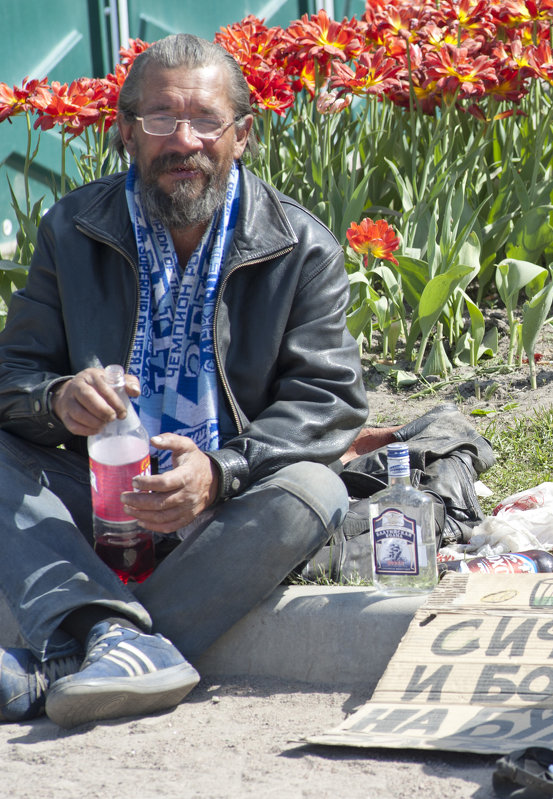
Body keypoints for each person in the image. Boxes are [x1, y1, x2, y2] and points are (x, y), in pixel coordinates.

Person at [0, 33, 368, 729]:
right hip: (104, 501)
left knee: (316, 489)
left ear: (244, 135)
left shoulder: (300, 245)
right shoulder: (72, 229)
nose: (184, 141)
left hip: (225, 516)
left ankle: (65, 659)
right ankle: (119, 643)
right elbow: (10, 377)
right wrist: (57, 400)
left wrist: (222, 471)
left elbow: (329, 402)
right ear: (125, 133)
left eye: (206, 120)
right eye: (161, 119)